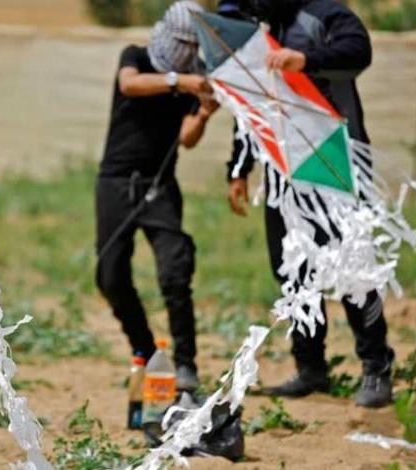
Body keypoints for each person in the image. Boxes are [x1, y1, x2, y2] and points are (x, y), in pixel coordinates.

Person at [223, 0, 394, 407]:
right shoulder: (262, 29)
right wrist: (239, 168)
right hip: (283, 171)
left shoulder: (325, 13)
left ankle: (376, 367)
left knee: (351, 266)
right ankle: (311, 367)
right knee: (293, 270)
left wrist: (306, 60)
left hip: (334, 159)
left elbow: (359, 49)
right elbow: (255, 103)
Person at [96, 0, 219, 392]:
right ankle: (146, 351)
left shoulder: (194, 78)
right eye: (183, 44)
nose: (186, 53)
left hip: (159, 184)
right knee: (110, 275)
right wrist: (180, 82)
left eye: (193, 47)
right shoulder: (136, 57)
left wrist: (204, 112)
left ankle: (186, 364)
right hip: (116, 181)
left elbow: (187, 139)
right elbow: (129, 84)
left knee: (175, 272)